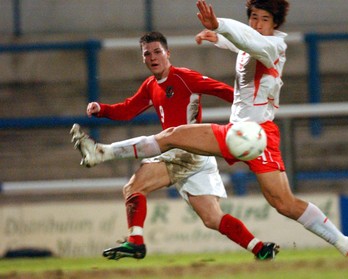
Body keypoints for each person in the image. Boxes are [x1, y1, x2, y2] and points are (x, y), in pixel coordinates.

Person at [71, 0, 348, 257]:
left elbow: (253, 43)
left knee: (283, 203)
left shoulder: (274, 45)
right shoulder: (250, 45)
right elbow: (244, 44)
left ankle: (101, 153)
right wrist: (218, 37)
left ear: (275, 25)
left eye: (264, 19)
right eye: (254, 17)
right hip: (244, 132)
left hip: (256, 133)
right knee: (183, 154)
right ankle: (345, 244)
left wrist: (221, 25)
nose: (258, 24)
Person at [77, 31, 279, 261]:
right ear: (143, 59)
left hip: (186, 151)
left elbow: (223, 91)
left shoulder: (184, 77)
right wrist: (101, 109)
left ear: (167, 53)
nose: (153, 57)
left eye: (157, 52)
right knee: (212, 218)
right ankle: (260, 249)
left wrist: (253, 113)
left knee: (133, 188)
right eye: (147, 54)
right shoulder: (150, 86)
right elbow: (128, 110)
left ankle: (135, 242)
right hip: (190, 156)